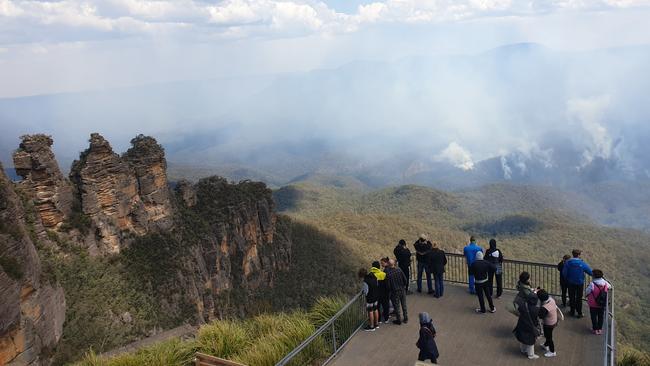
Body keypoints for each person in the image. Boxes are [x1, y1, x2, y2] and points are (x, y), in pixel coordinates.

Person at [562, 249, 593, 318]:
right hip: (579, 283)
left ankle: (572, 311)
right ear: (579, 255)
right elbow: (590, 272)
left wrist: (567, 279)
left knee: (571, 297)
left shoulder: (568, 263)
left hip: (570, 283)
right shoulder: (582, 263)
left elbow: (564, 273)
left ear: (573, 254)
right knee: (579, 298)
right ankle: (579, 313)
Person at [514, 292, 541, 360]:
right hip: (530, 326)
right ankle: (531, 355)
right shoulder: (536, 309)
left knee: (522, 337)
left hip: (522, 323)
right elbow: (539, 317)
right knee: (530, 341)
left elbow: (519, 310)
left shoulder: (523, 305)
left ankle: (523, 350)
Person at [586, 269, 611, 335]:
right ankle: (600, 329)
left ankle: (595, 329)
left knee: (593, 316)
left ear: (594, 276)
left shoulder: (592, 284)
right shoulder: (605, 283)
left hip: (593, 303)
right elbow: (609, 287)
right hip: (602, 303)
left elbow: (587, 291)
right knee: (601, 316)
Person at [537, 289, 562, 358]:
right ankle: (546, 345)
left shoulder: (545, 307)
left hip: (548, 324)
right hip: (554, 321)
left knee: (549, 337)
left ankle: (552, 351)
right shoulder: (551, 299)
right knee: (548, 335)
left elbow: (541, 316)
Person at [386, 259, 408, 324]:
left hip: (395, 291)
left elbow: (388, 286)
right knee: (404, 305)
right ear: (394, 264)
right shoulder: (399, 270)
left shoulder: (388, 274)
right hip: (402, 290)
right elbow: (405, 280)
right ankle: (406, 318)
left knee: (397, 306)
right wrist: (403, 286)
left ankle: (399, 320)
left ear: (389, 265)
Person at [371, 260, 390, 324]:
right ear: (379, 267)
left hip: (376, 294)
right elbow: (387, 285)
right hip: (384, 293)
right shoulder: (383, 274)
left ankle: (378, 320)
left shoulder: (371, 276)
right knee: (386, 306)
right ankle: (386, 319)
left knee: (377, 307)